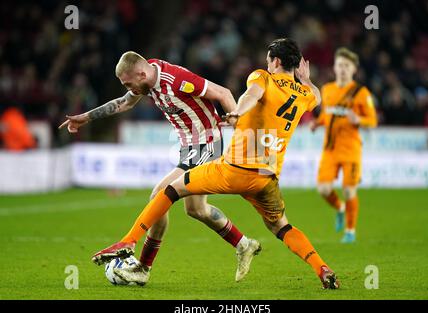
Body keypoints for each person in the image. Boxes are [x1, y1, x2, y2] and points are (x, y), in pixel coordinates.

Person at [93, 39, 340, 289]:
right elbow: (317, 96)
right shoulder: (304, 93)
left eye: (268, 60)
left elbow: (250, 95)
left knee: (170, 191)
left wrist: (238, 113)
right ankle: (322, 268)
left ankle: (129, 242)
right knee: (282, 227)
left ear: (275, 61)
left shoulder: (262, 77)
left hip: (234, 170)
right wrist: (305, 79)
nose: (267, 64)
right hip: (266, 177)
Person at [59, 51, 260, 284]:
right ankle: (245, 244)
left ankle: (143, 267)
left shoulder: (177, 81)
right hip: (189, 146)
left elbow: (223, 93)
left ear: (141, 74)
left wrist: (239, 131)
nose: (129, 88)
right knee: (196, 210)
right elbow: (125, 103)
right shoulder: (147, 77)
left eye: (128, 83)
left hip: (207, 143)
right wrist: (85, 117)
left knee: (160, 195)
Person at [310, 47, 377, 243]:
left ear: (354, 69)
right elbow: (327, 115)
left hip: (351, 150)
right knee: (323, 189)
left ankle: (350, 231)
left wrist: (359, 120)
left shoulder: (361, 92)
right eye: (340, 65)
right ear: (334, 67)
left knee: (349, 190)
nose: (342, 69)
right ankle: (339, 208)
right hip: (329, 149)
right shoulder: (327, 89)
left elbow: (372, 120)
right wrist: (318, 122)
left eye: (347, 66)